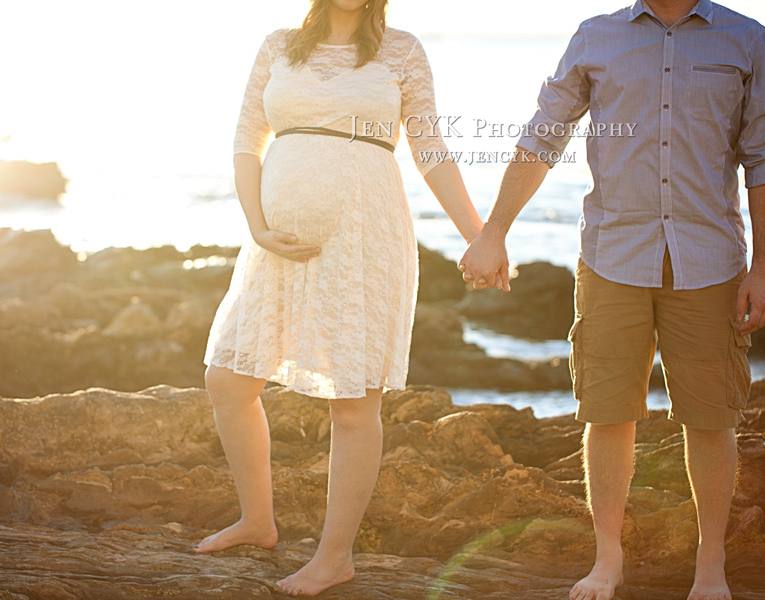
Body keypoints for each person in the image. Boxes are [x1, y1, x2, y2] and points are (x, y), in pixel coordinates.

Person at [458, 1, 765, 599]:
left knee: (710, 416)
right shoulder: (595, 37)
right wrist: (493, 232)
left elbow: (762, 160)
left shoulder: (747, 40)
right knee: (607, 410)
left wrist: (764, 266)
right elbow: (543, 134)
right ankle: (608, 561)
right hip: (611, 256)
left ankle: (710, 569)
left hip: (708, 262)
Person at [196, 0, 484, 595]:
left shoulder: (401, 49)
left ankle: (334, 558)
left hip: (363, 236)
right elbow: (247, 138)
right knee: (228, 378)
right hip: (274, 243)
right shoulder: (279, 44)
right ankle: (257, 520)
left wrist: (480, 237)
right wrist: (255, 223)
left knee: (353, 400)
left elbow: (429, 148)